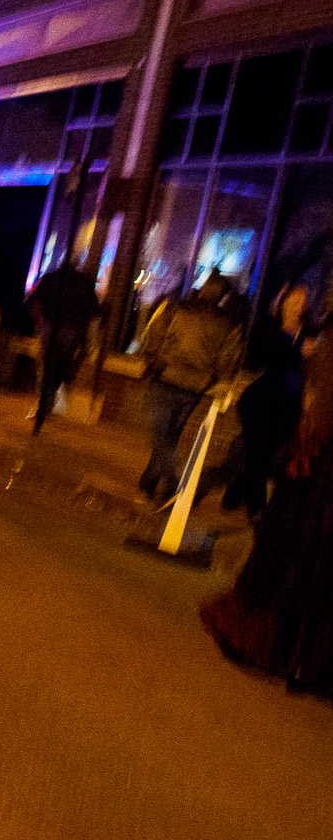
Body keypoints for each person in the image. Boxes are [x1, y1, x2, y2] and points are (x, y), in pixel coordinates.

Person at [200, 345, 333, 695]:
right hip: (316, 473)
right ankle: (297, 653)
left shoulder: (320, 356)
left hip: (312, 469)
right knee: (305, 563)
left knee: (301, 563)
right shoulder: (321, 360)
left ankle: (298, 652)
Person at [136, 275, 246, 501]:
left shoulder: (177, 307)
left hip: (165, 378)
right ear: (223, 297)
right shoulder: (226, 323)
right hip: (194, 387)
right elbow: (228, 358)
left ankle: (174, 481)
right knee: (170, 436)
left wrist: (154, 363)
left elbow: (154, 334)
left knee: (161, 436)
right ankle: (149, 480)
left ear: (204, 288)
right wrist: (213, 379)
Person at [223, 284, 314, 517]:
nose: (298, 306)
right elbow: (260, 358)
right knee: (258, 453)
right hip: (261, 402)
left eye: (303, 302)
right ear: (282, 301)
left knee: (266, 454)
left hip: (289, 407)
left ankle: (235, 492)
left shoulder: (308, 332)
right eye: (294, 300)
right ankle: (257, 510)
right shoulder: (269, 327)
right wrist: (298, 353)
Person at [25, 259, 103, 434]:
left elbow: (33, 299)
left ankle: (44, 401)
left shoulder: (51, 278)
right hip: (71, 328)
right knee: (61, 364)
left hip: (51, 325)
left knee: (46, 364)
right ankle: (49, 398)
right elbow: (94, 312)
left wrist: (39, 321)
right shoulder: (82, 283)